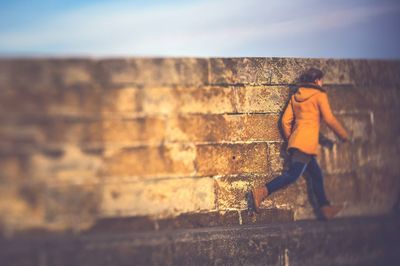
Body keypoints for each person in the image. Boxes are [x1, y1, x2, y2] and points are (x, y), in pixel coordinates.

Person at [249, 68, 350, 220]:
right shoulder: (319, 95)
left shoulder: (296, 96)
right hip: (306, 145)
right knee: (292, 175)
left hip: (296, 142)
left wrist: (292, 139)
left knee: (316, 174)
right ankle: (262, 192)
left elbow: (285, 122)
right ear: (317, 81)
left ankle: (325, 208)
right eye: (321, 80)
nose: (322, 83)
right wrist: (344, 135)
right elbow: (329, 119)